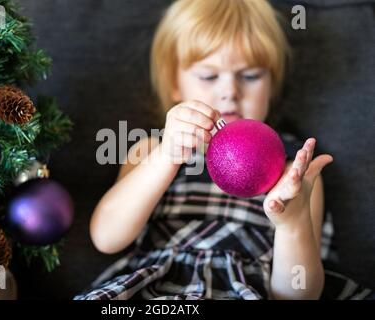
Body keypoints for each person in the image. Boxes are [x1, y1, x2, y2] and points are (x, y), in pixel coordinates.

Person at [75, 0, 372, 300]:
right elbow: (106, 238)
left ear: (271, 84)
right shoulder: (153, 148)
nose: (230, 91)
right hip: (160, 289)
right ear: (175, 84)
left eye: (250, 76)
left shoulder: (294, 169)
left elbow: (300, 295)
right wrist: (167, 156)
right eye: (208, 76)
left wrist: (292, 223)